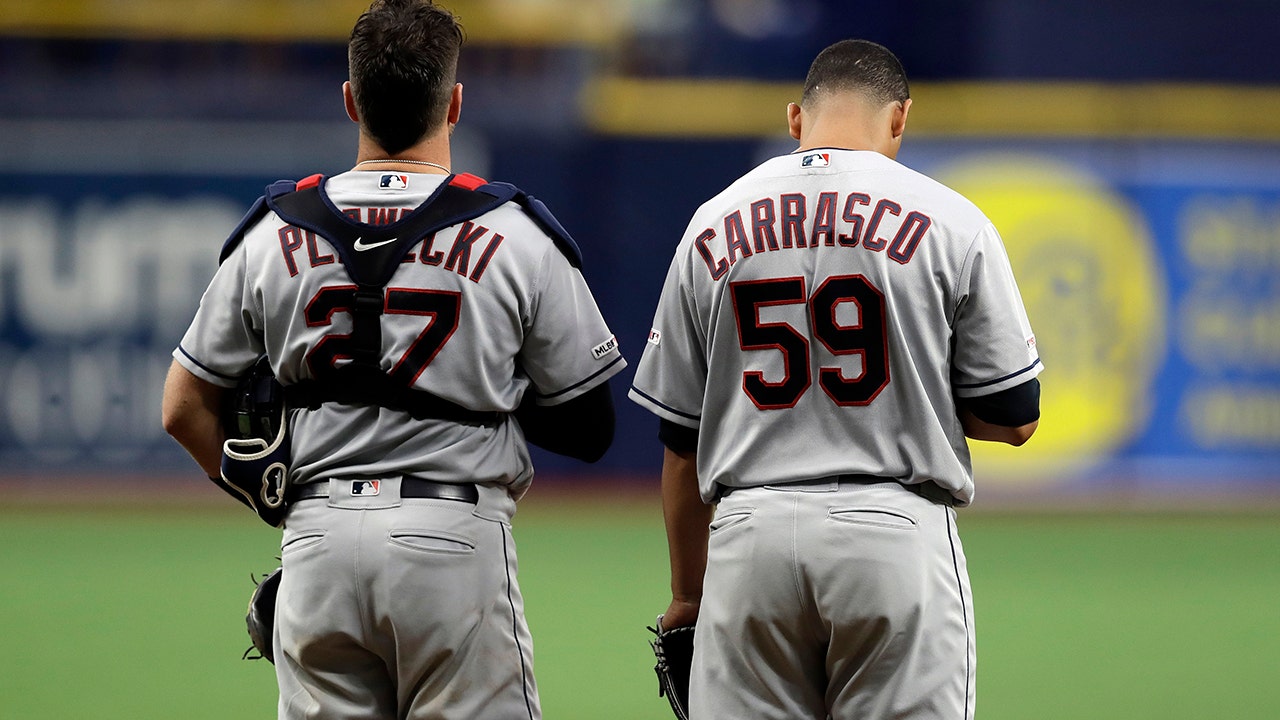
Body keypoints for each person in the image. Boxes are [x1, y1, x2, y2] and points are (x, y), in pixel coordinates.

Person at [161, 1, 626, 718]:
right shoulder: (513, 231)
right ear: (456, 102)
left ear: (351, 100)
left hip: (314, 540)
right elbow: (591, 428)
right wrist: (479, 380)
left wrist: (264, 493)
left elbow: (182, 407)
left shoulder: (273, 231)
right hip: (453, 538)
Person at [628, 39, 1041, 720]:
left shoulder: (711, 223)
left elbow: (680, 443)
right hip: (892, 533)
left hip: (747, 538)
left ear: (796, 118)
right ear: (901, 119)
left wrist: (690, 595)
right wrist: (911, 390)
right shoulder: (952, 219)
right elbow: (1016, 414)